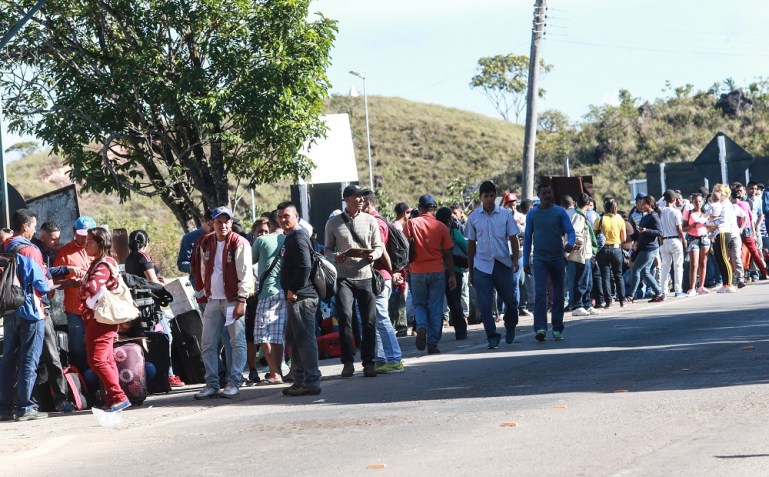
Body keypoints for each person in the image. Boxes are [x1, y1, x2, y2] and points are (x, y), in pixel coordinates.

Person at [192, 206, 253, 399]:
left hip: (233, 300)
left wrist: (242, 300)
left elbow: (246, 274)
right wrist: (204, 292)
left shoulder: (239, 243)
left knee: (236, 341)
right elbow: (203, 269)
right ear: (213, 223)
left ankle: (234, 381)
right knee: (208, 343)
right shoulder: (206, 242)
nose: (223, 225)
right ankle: (211, 383)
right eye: (219, 222)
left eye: (226, 221)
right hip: (213, 300)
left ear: (231, 223)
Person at [324, 185, 384, 377]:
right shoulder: (333, 223)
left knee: (369, 321)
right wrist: (336, 256)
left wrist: (373, 255)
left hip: (366, 276)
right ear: (346, 200)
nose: (360, 200)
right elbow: (326, 250)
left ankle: (369, 363)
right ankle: (348, 362)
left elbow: (379, 247)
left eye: (362, 197)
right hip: (344, 279)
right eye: (356, 196)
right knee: (345, 319)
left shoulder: (371, 220)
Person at [0, 209, 53, 421]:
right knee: (29, 359)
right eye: (33, 226)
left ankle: (4, 407)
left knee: (9, 359)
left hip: (10, 310)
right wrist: (50, 282)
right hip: (31, 311)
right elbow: (41, 284)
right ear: (25, 226)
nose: (33, 230)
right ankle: (25, 406)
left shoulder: (6, 247)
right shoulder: (30, 251)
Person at [79, 227, 132, 412]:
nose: (86, 245)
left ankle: (119, 396)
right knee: (107, 359)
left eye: (90, 242)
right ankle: (111, 397)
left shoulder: (102, 265)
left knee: (97, 360)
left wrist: (82, 286)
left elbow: (91, 288)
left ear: (101, 244)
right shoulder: (100, 263)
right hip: (98, 318)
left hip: (101, 319)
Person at [124, 229, 185, 388]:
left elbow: (139, 280)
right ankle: (169, 374)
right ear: (146, 243)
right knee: (166, 337)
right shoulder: (143, 256)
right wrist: (161, 283)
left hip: (138, 306)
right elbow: (152, 282)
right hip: (150, 306)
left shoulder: (129, 258)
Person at [465, 181, 520, 348]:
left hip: (502, 263)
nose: (489, 199)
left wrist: (515, 260)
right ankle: (492, 336)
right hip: (482, 265)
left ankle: (510, 326)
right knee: (485, 304)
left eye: (491, 195)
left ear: (495, 196)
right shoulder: (474, 217)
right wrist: (472, 272)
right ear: (481, 197)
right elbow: (471, 245)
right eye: (485, 196)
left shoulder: (505, 215)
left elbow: (513, 239)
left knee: (510, 301)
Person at [277, 202, 322, 396]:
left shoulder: (298, 238)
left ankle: (311, 381)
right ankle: (300, 380)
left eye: (286, 215)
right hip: (296, 297)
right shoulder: (292, 238)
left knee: (304, 340)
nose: (283, 219)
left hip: (302, 297)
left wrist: (293, 289)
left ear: (296, 216)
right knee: (294, 339)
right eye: (280, 216)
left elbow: (305, 266)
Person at [523, 183, 576, 341]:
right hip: (539, 259)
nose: (547, 195)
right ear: (538, 195)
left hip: (557, 258)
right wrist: (525, 260)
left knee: (558, 294)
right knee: (540, 293)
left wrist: (570, 242)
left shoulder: (559, 212)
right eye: (544, 193)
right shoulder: (532, 214)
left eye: (549, 192)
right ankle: (540, 328)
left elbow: (570, 231)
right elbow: (527, 239)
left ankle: (557, 328)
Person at [404, 194, 456, 354]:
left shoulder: (411, 224)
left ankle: (421, 327)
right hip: (437, 271)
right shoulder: (441, 227)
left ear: (419, 209)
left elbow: (404, 248)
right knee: (435, 307)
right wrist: (452, 275)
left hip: (417, 271)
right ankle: (432, 343)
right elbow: (448, 253)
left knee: (419, 304)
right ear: (434, 209)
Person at [362, 194, 405, 374]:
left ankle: (395, 358)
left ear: (367, 203)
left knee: (381, 318)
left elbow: (378, 250)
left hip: (381, 277)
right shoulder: (376, 221)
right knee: (376, 319)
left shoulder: (376, 223)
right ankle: (381, 359)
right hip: (380, 276)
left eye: (360, 201)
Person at [53, 215, 96, 373]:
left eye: (88, 235)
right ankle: (81, 382)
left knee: (96, 345)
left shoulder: (98, 250)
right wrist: (69, 283)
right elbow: (54, 283)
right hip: (75, 310)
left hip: (97, 309)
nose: (84, 239)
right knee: (76, 347)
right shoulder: (64, 253)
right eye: (81, 235)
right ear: (74, 232)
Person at [251, 214, 287, 385]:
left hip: (267, 292)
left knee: (264, 334)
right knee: (278, 335)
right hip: (284, 292)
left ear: (270, 225)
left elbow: (249, 261)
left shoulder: (261, 241)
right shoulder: (286, 239)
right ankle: (280, 371)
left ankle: (274, 373)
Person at [436, 207, 468, 340]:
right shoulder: (454, 233)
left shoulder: (433, 233)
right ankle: (460, 332)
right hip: (454, 271)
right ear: (449, 220)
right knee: (455, 302)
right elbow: (467, 249)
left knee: (435, 304)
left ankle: (435, 335)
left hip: (436, 271)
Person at [626, 195, 665, 302]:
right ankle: (659, 293)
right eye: (640, 204)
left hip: (650, 249)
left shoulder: (654, 216)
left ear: (650, 204)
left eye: (643, 204)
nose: (641, 206)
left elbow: (659, 232)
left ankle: (630, 295)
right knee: (644, 272)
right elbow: (639, 232)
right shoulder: (645, 216)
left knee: (636, 269)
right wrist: (630, 238)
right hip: (644, 247)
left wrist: (646, 230)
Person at [569, 193, 599, 316]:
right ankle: (578, 305)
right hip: (582, 253)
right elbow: (576, 232)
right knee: (581, 280)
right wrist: (579, 244)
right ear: (588, 204)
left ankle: (587, 304)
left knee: (588, 281)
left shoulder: (581, 214)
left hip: (588, 252)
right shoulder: (578, 215)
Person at [594, 197, 627, 308]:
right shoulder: (619, 219)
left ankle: (608, 301)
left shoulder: (600, 219)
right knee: (618, 275)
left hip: (602, 250)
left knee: (605, 276)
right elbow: (624, 238)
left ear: (604, 207)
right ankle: (622, 300)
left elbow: (595, 235)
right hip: (616, 248)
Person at [706, 184, 738, 293]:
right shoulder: (718, 204)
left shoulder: (727, 204)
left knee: (724, 258)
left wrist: (708, 223)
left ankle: (729, 283)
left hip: (723, 232)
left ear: (724, 193)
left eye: (718, 191)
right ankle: (725, 284)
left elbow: (722, 219)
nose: (715, 193)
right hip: (716, 233)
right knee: (719, 259)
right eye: (714, 190)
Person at [658, 190, 688, 298]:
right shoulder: (676, 212)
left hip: (664, 240)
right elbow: (679, 228)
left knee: (665, 267)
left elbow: (660, 229)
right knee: (678, 266)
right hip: (675, 240)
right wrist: (684, 240)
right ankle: (678, 290)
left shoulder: (660, 212)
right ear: (673, 200)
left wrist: (661, 242)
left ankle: (663, 291)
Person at [682, 193, 711, 295]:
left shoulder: (706, 213)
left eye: (699, 201)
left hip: (705, 238)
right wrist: (691, 226)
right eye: (695, 202)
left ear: (702, 202)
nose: (698, 203)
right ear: (692, 202)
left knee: (703, 263)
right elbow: (683, 228)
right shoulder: (688, 213)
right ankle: (692, 288)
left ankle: (701, 286)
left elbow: (711, 225)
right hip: (693, 238)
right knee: (694, 264)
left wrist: (708, 227)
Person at [177, 210, 213, 285]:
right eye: (210, 225)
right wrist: (195, 266)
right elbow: (181, 263)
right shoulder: (189, 238)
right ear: (203, 221)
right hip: (198, 283)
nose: (213, 228)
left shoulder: (220, 237)